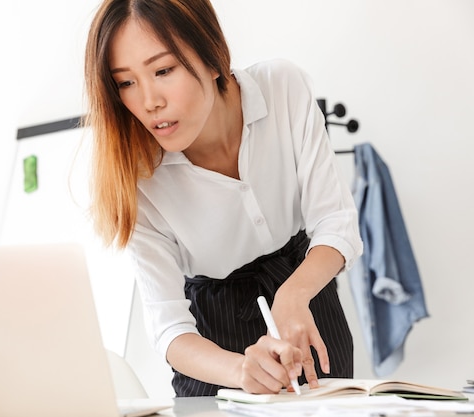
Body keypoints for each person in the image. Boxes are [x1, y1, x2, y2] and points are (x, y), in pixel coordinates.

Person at [84, 0, 363, 397]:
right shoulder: (135, 177)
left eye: (163, 70)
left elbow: (336, 223)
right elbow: (170, 328)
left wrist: (294, 293)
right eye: (126, 82)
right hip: (211, 348)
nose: (149, 102)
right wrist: (240, 370)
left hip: (305, 300)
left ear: (213, 56)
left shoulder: (283, 87)